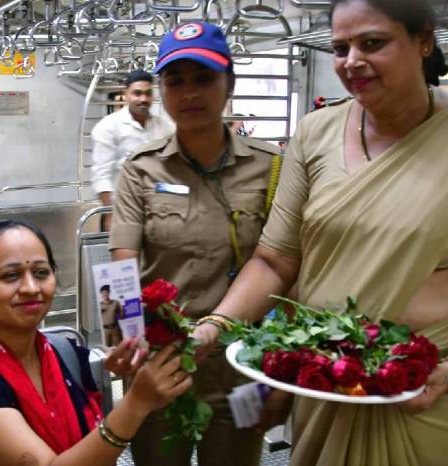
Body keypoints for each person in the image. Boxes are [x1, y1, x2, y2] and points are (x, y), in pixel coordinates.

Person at [192, 1, 448, 465]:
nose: (352, 61)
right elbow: (275, 259)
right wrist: (214, 326)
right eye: (340, 47)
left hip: (422, 385)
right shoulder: (316, 132)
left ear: (424, 41)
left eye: (373, 43)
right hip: (327, 377)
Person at [109, 22, 282, 466]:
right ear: (163, 90)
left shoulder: (271, 169)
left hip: (243, 367)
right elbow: (123, 267)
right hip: (161, 364)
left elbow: (286, 268)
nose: (190, 92)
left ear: (229, 85)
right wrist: (127, 344)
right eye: (176, 81)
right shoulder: (141, 171)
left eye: (204, 78)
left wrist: (278, 375)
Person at [0, 220, 194, 466]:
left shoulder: (64, 352)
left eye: (41, 272)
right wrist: (136, 403)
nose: (31, 287)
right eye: (11, 276)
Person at [91, 69, 175, 230]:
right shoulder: (108, 127)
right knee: (127, 255)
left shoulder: (165, 127)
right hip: (122, 212)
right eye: (137, 93)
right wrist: (110, 214)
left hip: (158, 213)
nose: (143, 99)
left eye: (148, 93)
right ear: (126, 94)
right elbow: (102, 176)